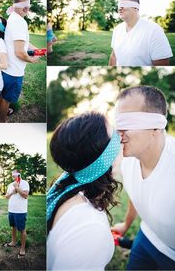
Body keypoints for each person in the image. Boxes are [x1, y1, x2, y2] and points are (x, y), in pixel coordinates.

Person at [113, 86, 175, 270]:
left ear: (156, 125)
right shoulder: (130, 161)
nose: (118, 131)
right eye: (117, 122)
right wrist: (126, 224)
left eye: (128, 121)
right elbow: (137, 194)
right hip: (146, 238)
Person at [47, 112, 123, 270]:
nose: (121, 136)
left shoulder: (71, 186)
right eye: (114, 134)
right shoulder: (88, 227)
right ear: (103, 159)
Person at [0, 0, 40, 123]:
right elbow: (19, 52)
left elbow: (18, 42)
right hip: (14, 70)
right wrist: (31, 59)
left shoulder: (12, 17)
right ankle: (2, 121)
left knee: (3, 94)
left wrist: (34, 49)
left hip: (6, 67)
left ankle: (1, 112)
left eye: (28, 4)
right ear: (15, 4)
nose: (27, 7)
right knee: (7, 98)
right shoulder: (20, 22)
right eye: (23, 4)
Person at [109, 0, 173, 66]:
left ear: (136, 7)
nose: (120, 8)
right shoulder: (117, 29)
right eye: (119, 5)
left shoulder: (153, 30)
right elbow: (114, 56)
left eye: (124, 4)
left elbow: (162, 65)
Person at [5, 170, 30, 258]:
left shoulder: (24, 183)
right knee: (13, 227)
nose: (13, 176)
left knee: (22, 229)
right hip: (11, 210)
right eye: (12, 175)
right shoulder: (9, 185)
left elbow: (25, 195)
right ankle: (13, 242)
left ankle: (22, 248)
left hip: (20, 211)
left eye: (15, 175)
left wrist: (17, 187)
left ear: (19, 175)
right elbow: (6, 196)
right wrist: (12, 191)